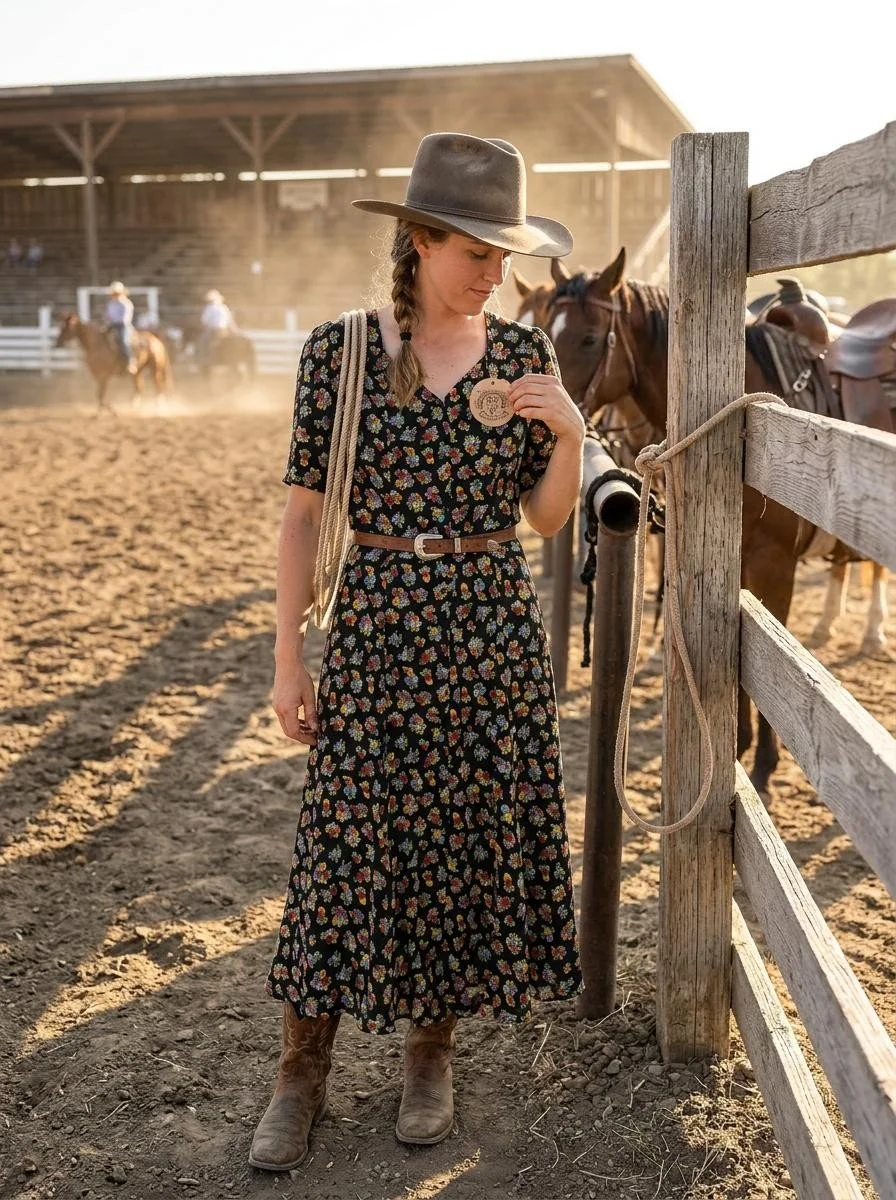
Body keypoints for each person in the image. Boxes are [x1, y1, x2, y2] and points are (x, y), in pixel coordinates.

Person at [249, 132, 585, 1174]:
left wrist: (570, 436)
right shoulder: (342, 353)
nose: (497, 273)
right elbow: (303, 517)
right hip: (378, 624)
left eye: (505, 256)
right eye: (478, 252)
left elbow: (540, 521)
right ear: (421, 241)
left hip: (487, 629)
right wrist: (287, 660)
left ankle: (427, 1058)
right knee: (344, 846)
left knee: (454, 844)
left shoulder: (526, 357)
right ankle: (299, 1072)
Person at [197, 288, 236, 369]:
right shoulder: (224, 307)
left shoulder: (209, 308)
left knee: (202, 341)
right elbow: (230, 322)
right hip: (225, 331)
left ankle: (203, 360)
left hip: (214, 331)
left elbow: (204, 321)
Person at [104, 281, 135, 372]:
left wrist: (113, 323)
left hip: (123, 326)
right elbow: (108, 316)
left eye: (116, 293)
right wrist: (107, 324)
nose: (115, 295)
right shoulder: (110, 304)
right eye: (114, 293)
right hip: (112, 325)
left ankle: (130, 362)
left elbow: (125, 319)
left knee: (124, 341)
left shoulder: (126, 303)